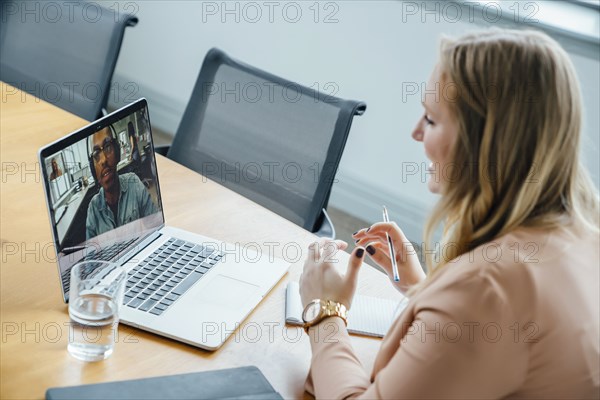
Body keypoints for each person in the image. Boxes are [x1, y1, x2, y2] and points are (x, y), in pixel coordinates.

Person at [299, 29, 600, 399]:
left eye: (429, 119)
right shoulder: (585, 234)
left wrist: (324, 311)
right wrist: (423, 288)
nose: (415, 132)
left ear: (485, 143)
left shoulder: (484, 291)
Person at [86, 126, 158, 240]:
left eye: (108, 147)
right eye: (96, 154)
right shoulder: (93, 209)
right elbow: (91, 255)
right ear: (92, 167)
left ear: (117, 151)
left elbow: (156, 227)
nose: (103, 159)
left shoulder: (134, 183)